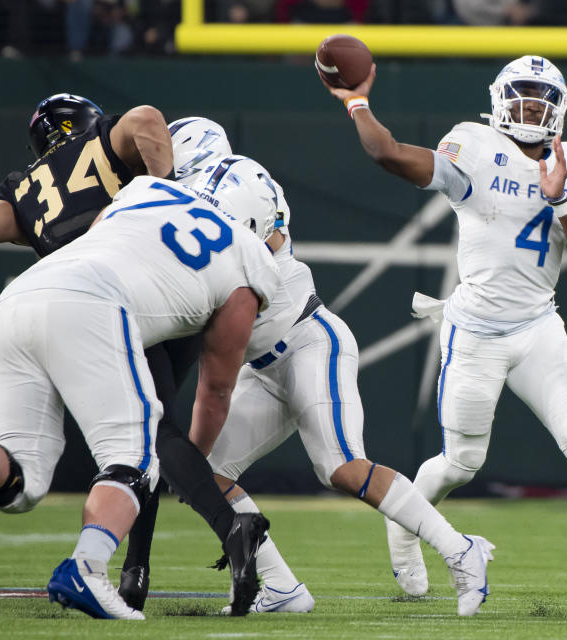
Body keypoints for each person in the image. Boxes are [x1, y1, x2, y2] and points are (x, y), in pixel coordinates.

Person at [118, 117, 495, 617]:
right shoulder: (228, 191)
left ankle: (460, 550)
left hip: (309, 341)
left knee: (340, 466)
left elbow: (215, 381)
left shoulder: (232, 192)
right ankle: (282, 589)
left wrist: (189, 459)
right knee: (208, 474)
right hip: (261, 365)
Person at [320, 55, 567, 608]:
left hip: (538, 327)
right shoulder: (472, 145)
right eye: (520, 95)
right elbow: (389, 153)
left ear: (560, 109)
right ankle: (404, 525)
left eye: (541, 97)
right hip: (474, 331)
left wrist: (561, 200)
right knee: (461, 463)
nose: (529, 107)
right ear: (499, 100)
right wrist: (357, 102)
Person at [0, 94, 265, 616]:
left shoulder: (29, 190)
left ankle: (140, 568)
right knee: (147, 441)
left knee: (102, 452)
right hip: (129, 293)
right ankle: (187, 546)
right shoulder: (112, 153)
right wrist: (163, 188)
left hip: (67, 297)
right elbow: (144, 119)